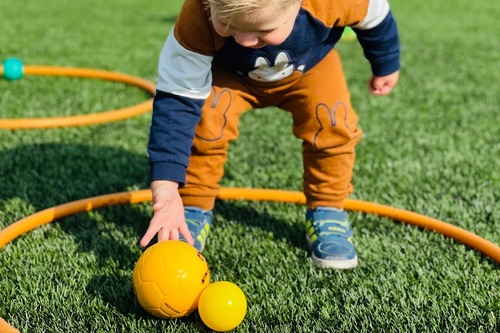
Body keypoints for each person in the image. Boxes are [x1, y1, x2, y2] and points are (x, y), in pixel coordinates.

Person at [140, 0, 401, 269]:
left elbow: (376, 17)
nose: (243, 40)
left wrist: (386, 63)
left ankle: (328, 208)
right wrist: (167, 188)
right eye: (227, 25)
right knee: (206, 125)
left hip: (311, 67)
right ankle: (193, 206)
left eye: (262, 30)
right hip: (228, 74)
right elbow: (177, 101)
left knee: (333, 124)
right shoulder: (197, 15)